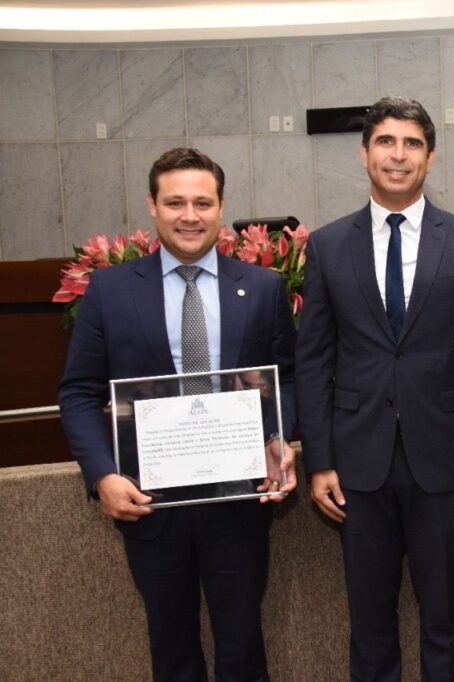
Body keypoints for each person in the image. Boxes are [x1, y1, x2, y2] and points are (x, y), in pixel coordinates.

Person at [58, 147, 297, 681]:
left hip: (237, 498)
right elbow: (77, 392)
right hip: (151, 503)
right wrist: (102, 476)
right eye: (175, 203)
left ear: (221, 207)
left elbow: (288, 376)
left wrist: (276, 437)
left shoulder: (262, 288)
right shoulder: (111, 291)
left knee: (243, 648)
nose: (190, 216)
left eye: (202, 203)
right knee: (171, 651)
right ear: (152, 205)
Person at [294, 96, 454, 681]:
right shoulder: (328, 245)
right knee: (369, 621)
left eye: (412, 143)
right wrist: (320, 460)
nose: (398, 154)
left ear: (430, 158)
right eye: (386, 141)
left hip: (445, 461)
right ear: (364, 154)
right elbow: (313, 360)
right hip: (356, 464)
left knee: (444, 618)